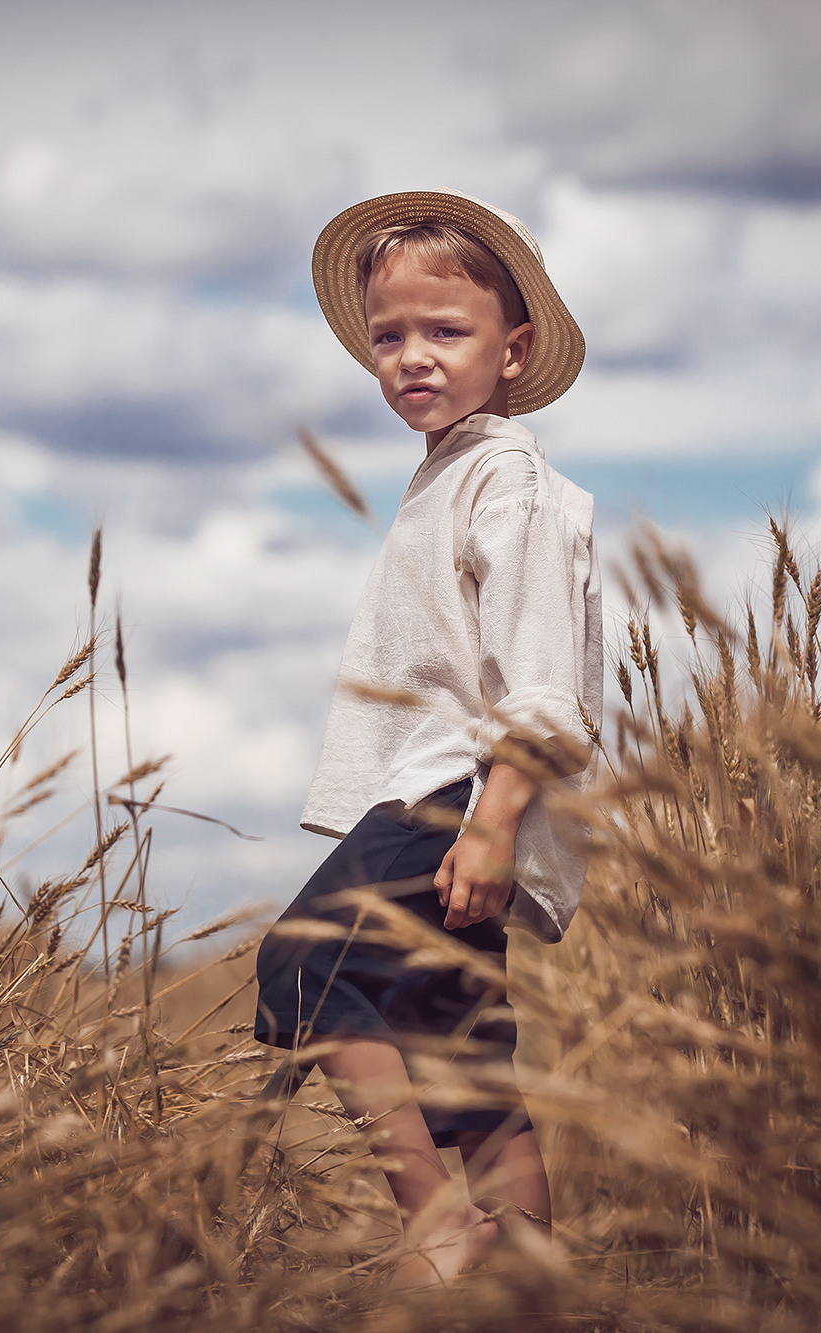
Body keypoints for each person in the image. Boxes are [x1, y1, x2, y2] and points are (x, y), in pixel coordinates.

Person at [256, 190, 602, 1286]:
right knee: (461, 1063)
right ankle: (536, 1292)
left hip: (457, 794)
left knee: (301, 959)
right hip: (438, 796)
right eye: (389, 335)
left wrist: (493, 822)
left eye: (444, 332)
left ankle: (434, 1226)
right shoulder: (446, 474)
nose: (411, 356)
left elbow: (543, 685)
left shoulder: (512, 483)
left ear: (515, 347)